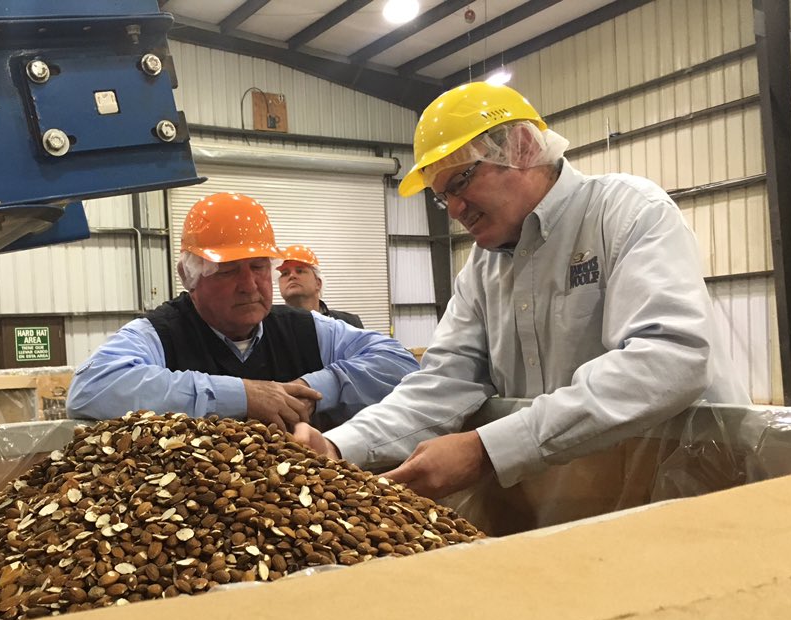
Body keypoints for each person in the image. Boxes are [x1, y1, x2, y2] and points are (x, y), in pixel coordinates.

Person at [293, 82, 750, 501]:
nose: (453, 209)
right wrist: (339, 445)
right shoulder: (482, 270)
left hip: (686, 493)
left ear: (523, 147)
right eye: (441, 196)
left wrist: (488, 449)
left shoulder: (628, 213)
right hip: (574, 499)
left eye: (461, 181)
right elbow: (444, 381)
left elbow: (669, 358)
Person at [67, 192, 419, 431]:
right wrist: (244, 396)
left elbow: (400, 364)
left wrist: (315, 385)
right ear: (189, 276)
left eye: (258, 266)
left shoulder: (307, 329)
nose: (249, 284)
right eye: (228, 270)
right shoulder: (159, 334)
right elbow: (91, 388)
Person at [277, 245, 364, 327]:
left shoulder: (350, 324)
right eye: (285, 273)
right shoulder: (270, 328)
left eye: (299, 271)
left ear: (318, 283)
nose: (292, 276)